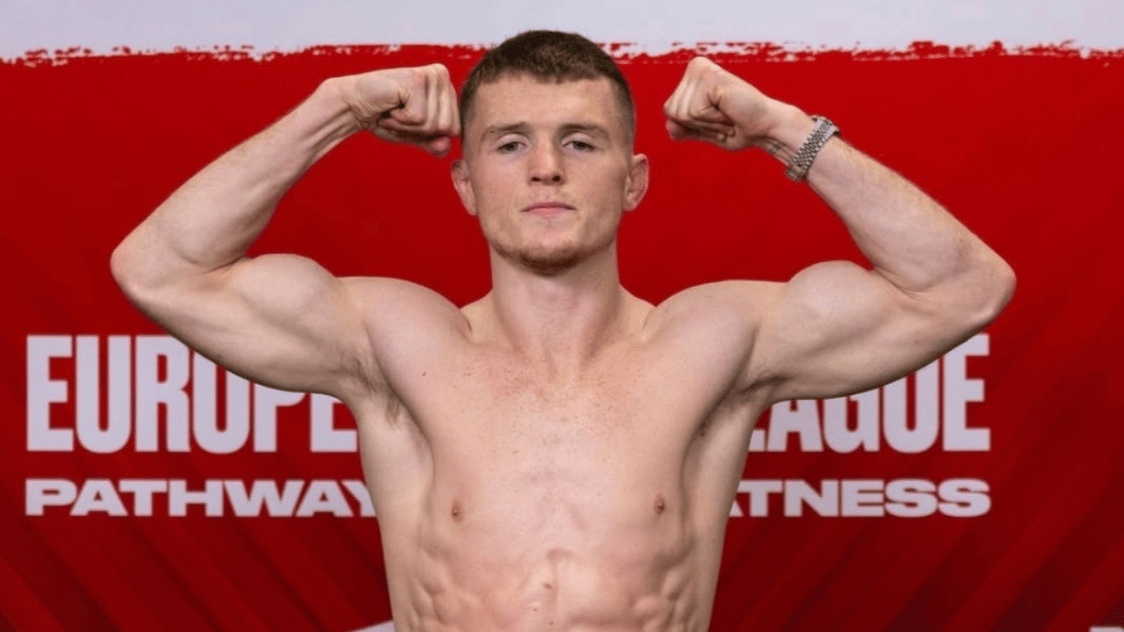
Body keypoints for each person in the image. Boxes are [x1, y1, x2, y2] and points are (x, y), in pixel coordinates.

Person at [111, 30, 1014, 632]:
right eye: (510, 144)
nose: (546, 168)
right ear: (466, 185)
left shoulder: (711, 343)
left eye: (581, 142)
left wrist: (783, 130)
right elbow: (160, 269)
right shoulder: (396, 344)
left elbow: (962, 288)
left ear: (634, 181)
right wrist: (335, 106)